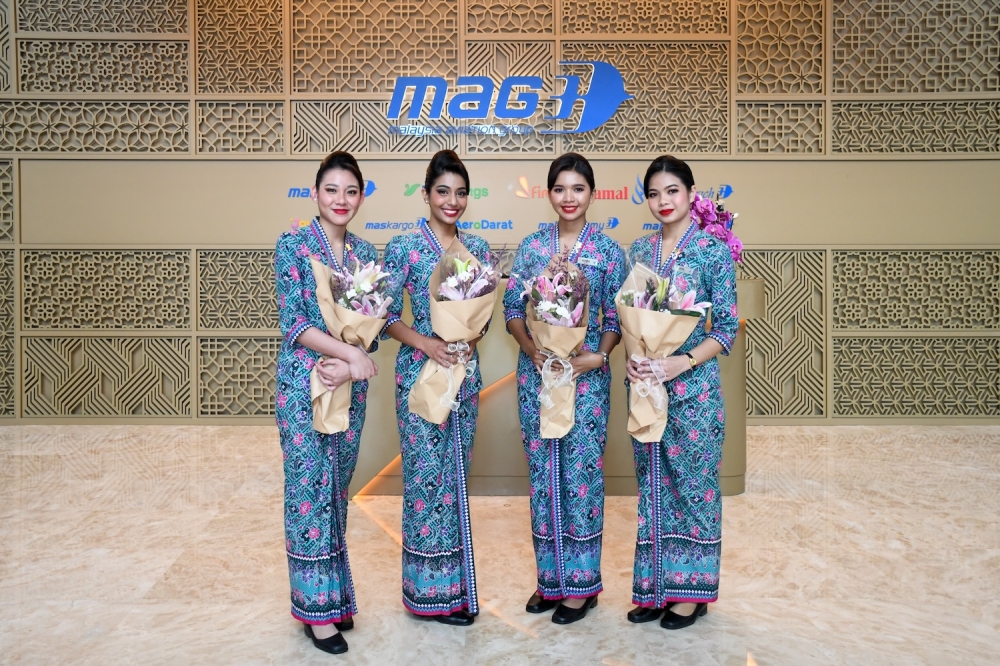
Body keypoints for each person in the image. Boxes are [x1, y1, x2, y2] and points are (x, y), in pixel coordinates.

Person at [502, 153, 625, 625]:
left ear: (591, 193)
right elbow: (513, 311)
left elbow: (615, 318)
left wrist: (598, 356)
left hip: (586, 379)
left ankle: (582, 586)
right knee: (544, 475)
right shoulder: (533, 247)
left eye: (578, 188)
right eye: (560, 188)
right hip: (538, 375)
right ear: (548, 193)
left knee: (581, 477)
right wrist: (532, 349)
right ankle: (550, 580)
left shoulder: (609, 252)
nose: (568, 197)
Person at [624, 155, 738, 630]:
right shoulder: (641, 251)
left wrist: (681, 361)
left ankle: (691, 594)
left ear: (691, 194)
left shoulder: (712, 251)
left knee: (692, 489)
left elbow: (726, 328)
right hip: (648, 390)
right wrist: (635, 356)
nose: (663, 201)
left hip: (693, 391)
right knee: (652, 487)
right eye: (653, 193)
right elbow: (628, 315)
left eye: (672, 190)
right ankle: (656, 589)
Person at [274, 151, 381, 654]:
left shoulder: (363, 255)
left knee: (336, 490)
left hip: (347, 389)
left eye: (351, 191)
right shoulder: (293, 245)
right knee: (307, 492)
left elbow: (372, 329)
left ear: (361, 196)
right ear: (315, 193)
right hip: (305, 385)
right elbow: (295, 323)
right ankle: (315, 614)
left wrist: (354, 359)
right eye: (332, 189)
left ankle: (332, 598)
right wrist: (346, 355)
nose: (341, 200)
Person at [382, 149, 491, 626]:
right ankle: (427, 596)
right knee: (426, 483)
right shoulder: (403, 248)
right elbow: (384, 318)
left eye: (461, 193)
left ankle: (458, 590)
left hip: (465, 375)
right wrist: (427, 342)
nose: (452, 201)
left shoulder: (480, 250)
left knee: (455, 482)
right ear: (425, 194)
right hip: (420, 377)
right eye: (443, 191)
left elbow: (484, 318)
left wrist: (469, 335)